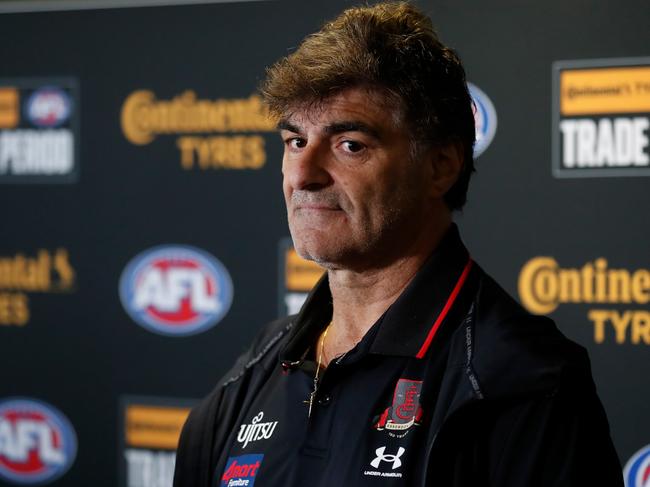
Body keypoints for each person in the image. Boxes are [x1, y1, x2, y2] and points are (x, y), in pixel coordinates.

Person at [173, 3, 623, 486]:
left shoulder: (522, 383)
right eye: (294, 142)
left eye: (350, 145)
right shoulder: (256, 367)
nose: (303, 175)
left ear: (440, 166)